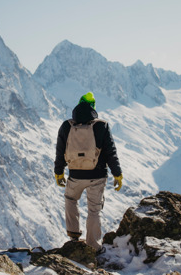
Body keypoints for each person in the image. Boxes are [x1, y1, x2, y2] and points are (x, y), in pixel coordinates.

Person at [54, 91, 123, 254]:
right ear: (93, 108)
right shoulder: (101, 125)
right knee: (94, 210)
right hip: (97, 176)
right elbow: (110, 152)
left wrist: (59, 172)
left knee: (71, 200)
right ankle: (94, 245)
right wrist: (117, 173)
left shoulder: (66, 126)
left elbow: (60, 151)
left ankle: (73, 235)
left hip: (75, 175)